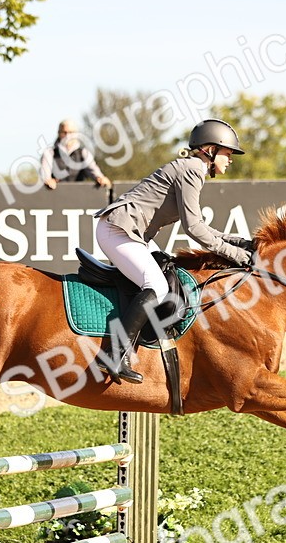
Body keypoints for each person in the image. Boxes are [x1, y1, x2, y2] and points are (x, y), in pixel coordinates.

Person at [92, 118, 252, 384]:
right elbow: (194, 229)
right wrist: (236, 255)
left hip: (130, 232)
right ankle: (114, 355)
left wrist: (236, 242)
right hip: (118, 230)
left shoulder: (192, 168)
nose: (231, 159)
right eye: (227, 153)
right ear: (210, 150)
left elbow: (200, 226)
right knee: (156, 285)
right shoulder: (192, 169)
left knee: (165, 272)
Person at [40, 119, 109, 189]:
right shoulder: (49, 153)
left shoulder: (83, 153)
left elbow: (94, 172)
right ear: (59, 133)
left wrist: (100, 178)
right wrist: (48, 181)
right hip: (55, 197)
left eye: (71, 132)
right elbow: (45, 177)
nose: (68, 136)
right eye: (64, 132)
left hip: (78, 197)